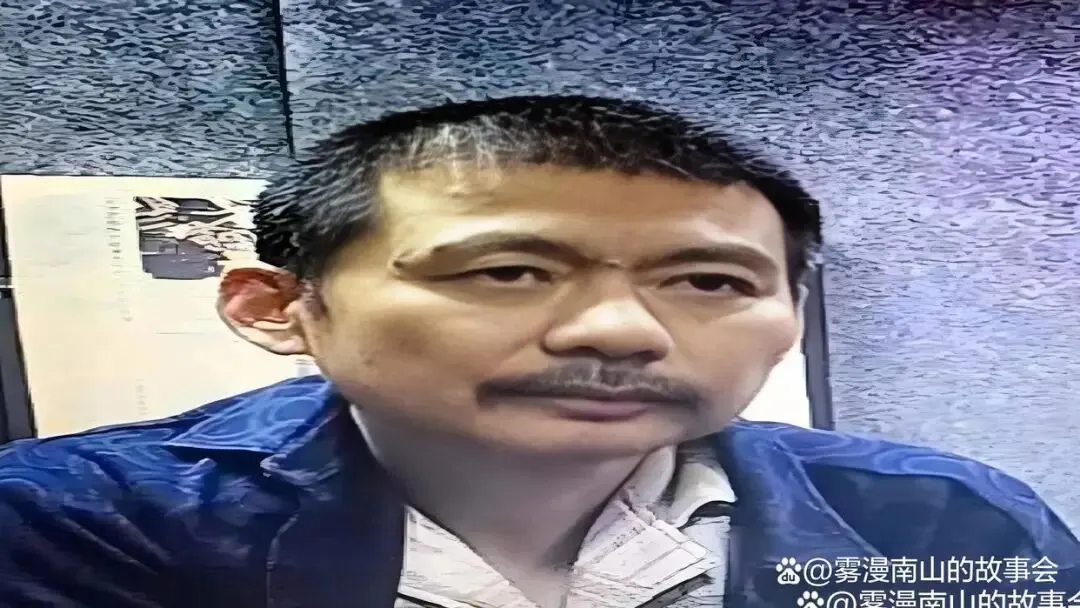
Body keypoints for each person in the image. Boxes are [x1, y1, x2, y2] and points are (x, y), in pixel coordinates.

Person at [0, 95, 1076, 608]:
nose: (620, 330)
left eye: (710, 282)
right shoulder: (64, 525)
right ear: (280, 306)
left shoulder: (935, 520)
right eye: (509, 270)